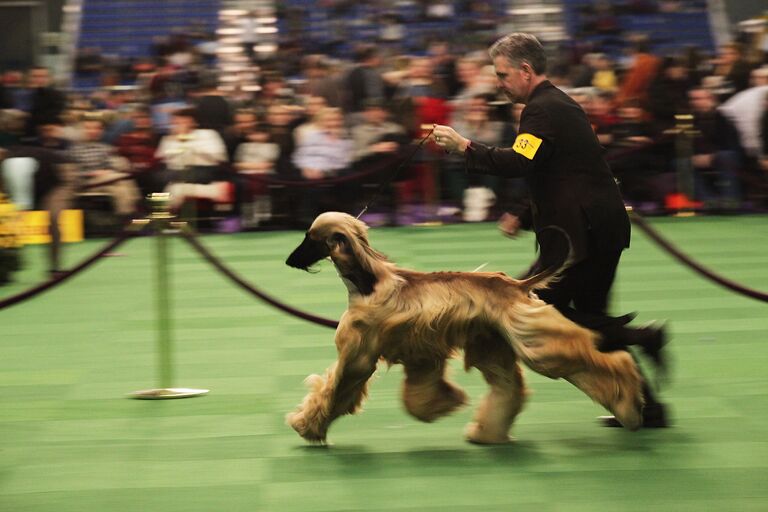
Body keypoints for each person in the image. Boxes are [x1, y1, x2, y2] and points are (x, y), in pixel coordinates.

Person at [432, 32, 669, 428]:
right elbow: (561, 169)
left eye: (504, 75)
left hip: (580, 236)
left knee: (529, 308)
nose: (500, 83)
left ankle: (645, 338)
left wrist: (464, 147)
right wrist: (523, 215)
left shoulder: (542, 110)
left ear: (526, 71)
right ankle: (648, 408)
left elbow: (521, 162)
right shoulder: (558, 106)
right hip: (597, 229)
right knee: (592, 319)